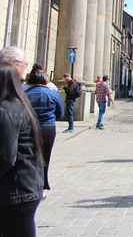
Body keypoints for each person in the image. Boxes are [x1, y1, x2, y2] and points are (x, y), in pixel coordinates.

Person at [0, 66, 44, 235]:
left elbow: (6, 155)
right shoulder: (23, 106)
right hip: (29, 184)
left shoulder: (6, 110)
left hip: (16, 189)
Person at [24, 67, 63, 193]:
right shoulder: (52, 93)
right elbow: (60, 113)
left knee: (30, 154)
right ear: (45, 80)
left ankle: (30, 181)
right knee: (46, 155)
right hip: (48, 128)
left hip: (30, 127)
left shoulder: (25, 93)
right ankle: (44, 182)